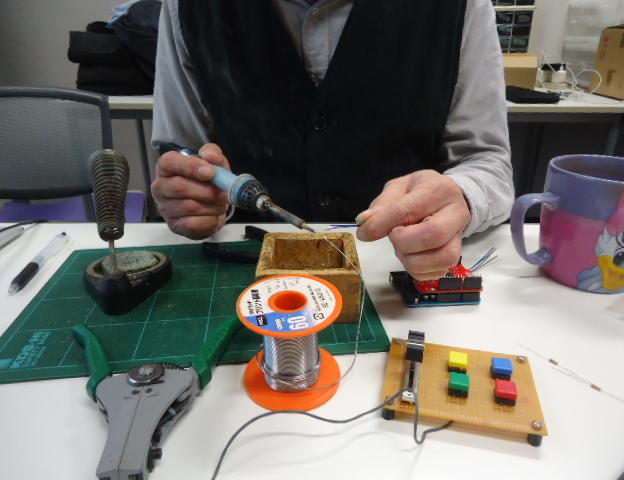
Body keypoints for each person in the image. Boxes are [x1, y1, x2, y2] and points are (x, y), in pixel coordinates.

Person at [151, 0, 514, 281]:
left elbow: (486, 161)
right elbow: (183, 154)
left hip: (397, 273)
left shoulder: (461, 7)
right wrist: (192, 196)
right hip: (243, 265)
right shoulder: (187, 8)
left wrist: (462, 196)